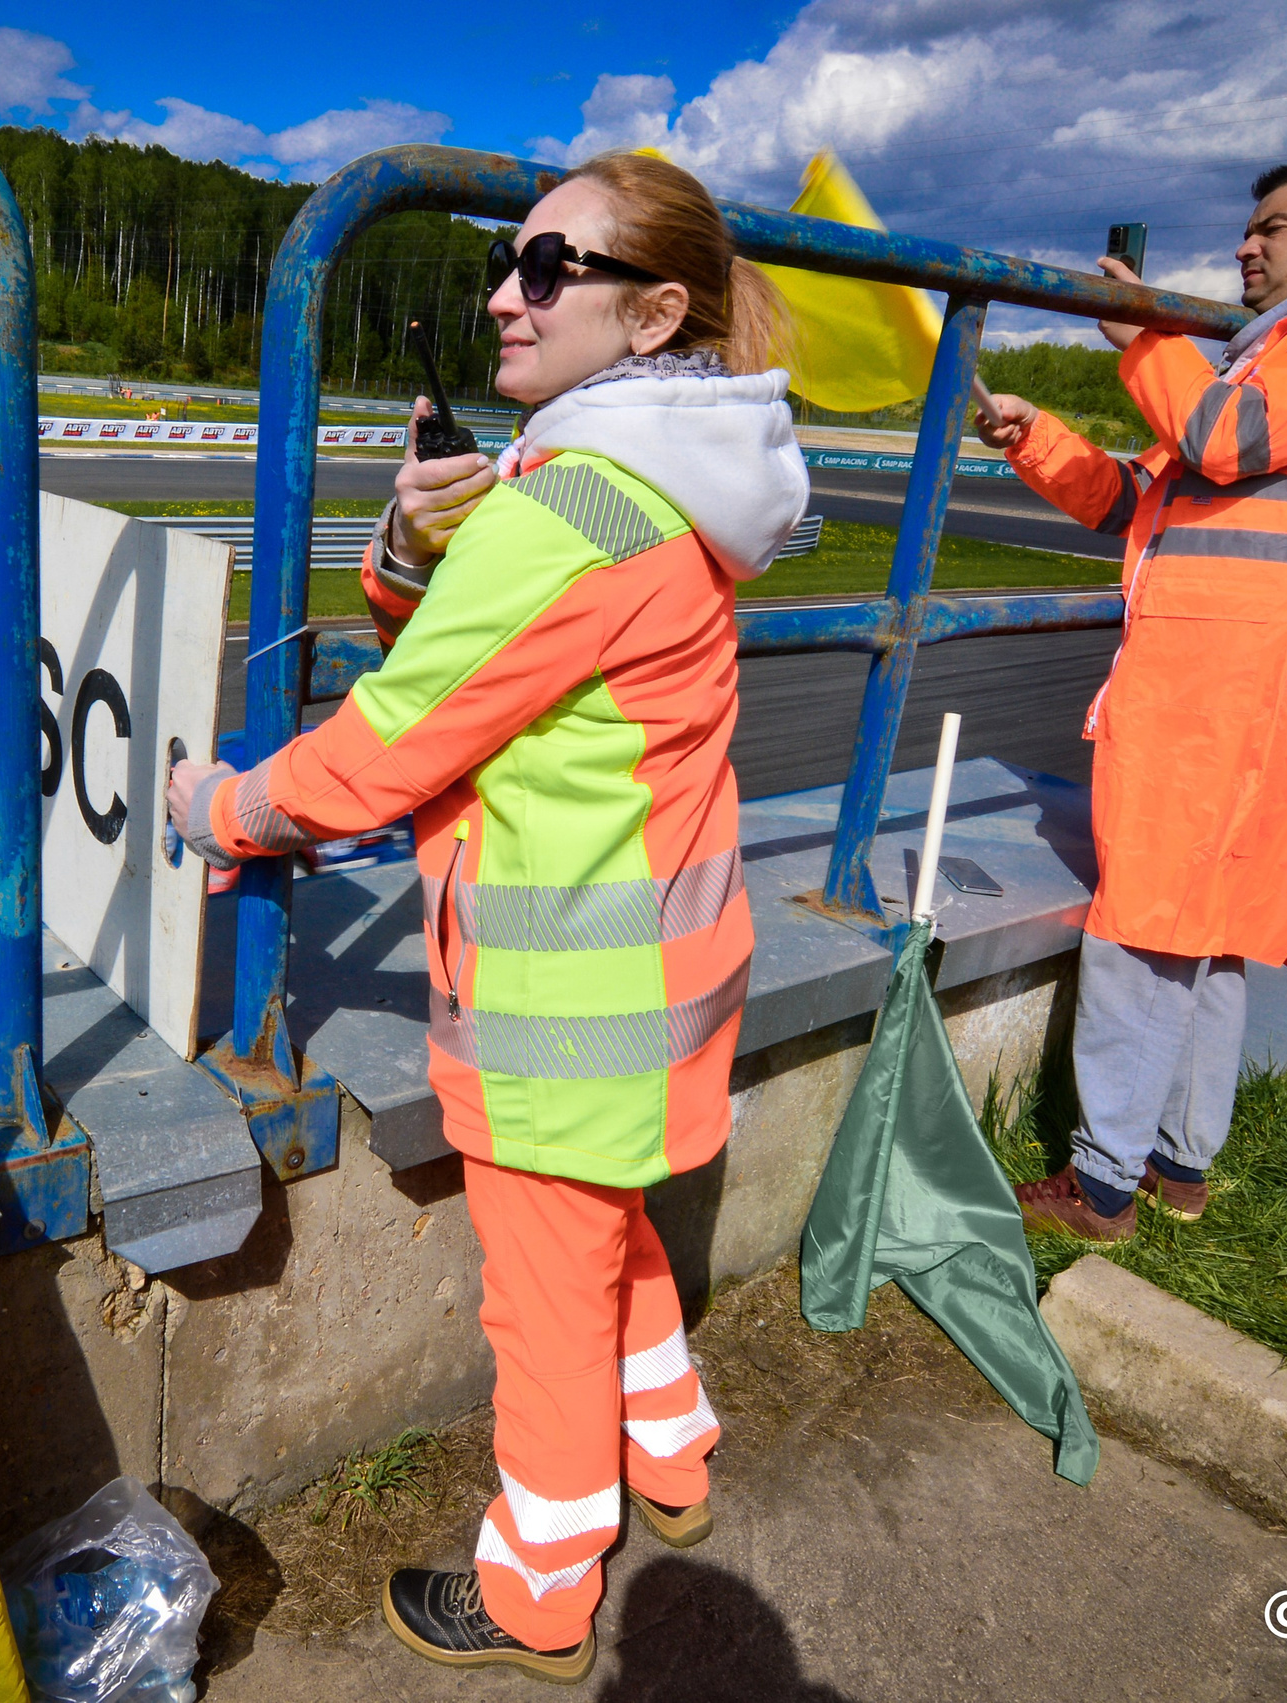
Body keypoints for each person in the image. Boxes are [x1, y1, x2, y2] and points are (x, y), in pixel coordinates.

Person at [165, 151, 808, 1682]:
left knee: (541, 1300)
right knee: (614, 1232)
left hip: (565, 1004)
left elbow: (394, 742)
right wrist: (415, 537)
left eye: (546, 269)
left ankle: (535, 1589)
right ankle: (676, 1454)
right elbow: (492, 658)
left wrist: (221, 809)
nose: (502, 294)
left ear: (653, 313)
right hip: (671, 972)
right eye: (507, 261)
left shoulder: (562, 511)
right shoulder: (655, 481)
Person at [974, 154, 1287, 1241]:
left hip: (1237, 683)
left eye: (1270, 225)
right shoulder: (1278, 359)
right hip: (1233, 677)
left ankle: (1099, 1184)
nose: (1245, 244)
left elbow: (1222, 444)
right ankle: (1177, 1169)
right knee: (1210, 925)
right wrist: (1032, 436)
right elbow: (1138, 496)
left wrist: (1144, 332)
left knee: (1144, 923)